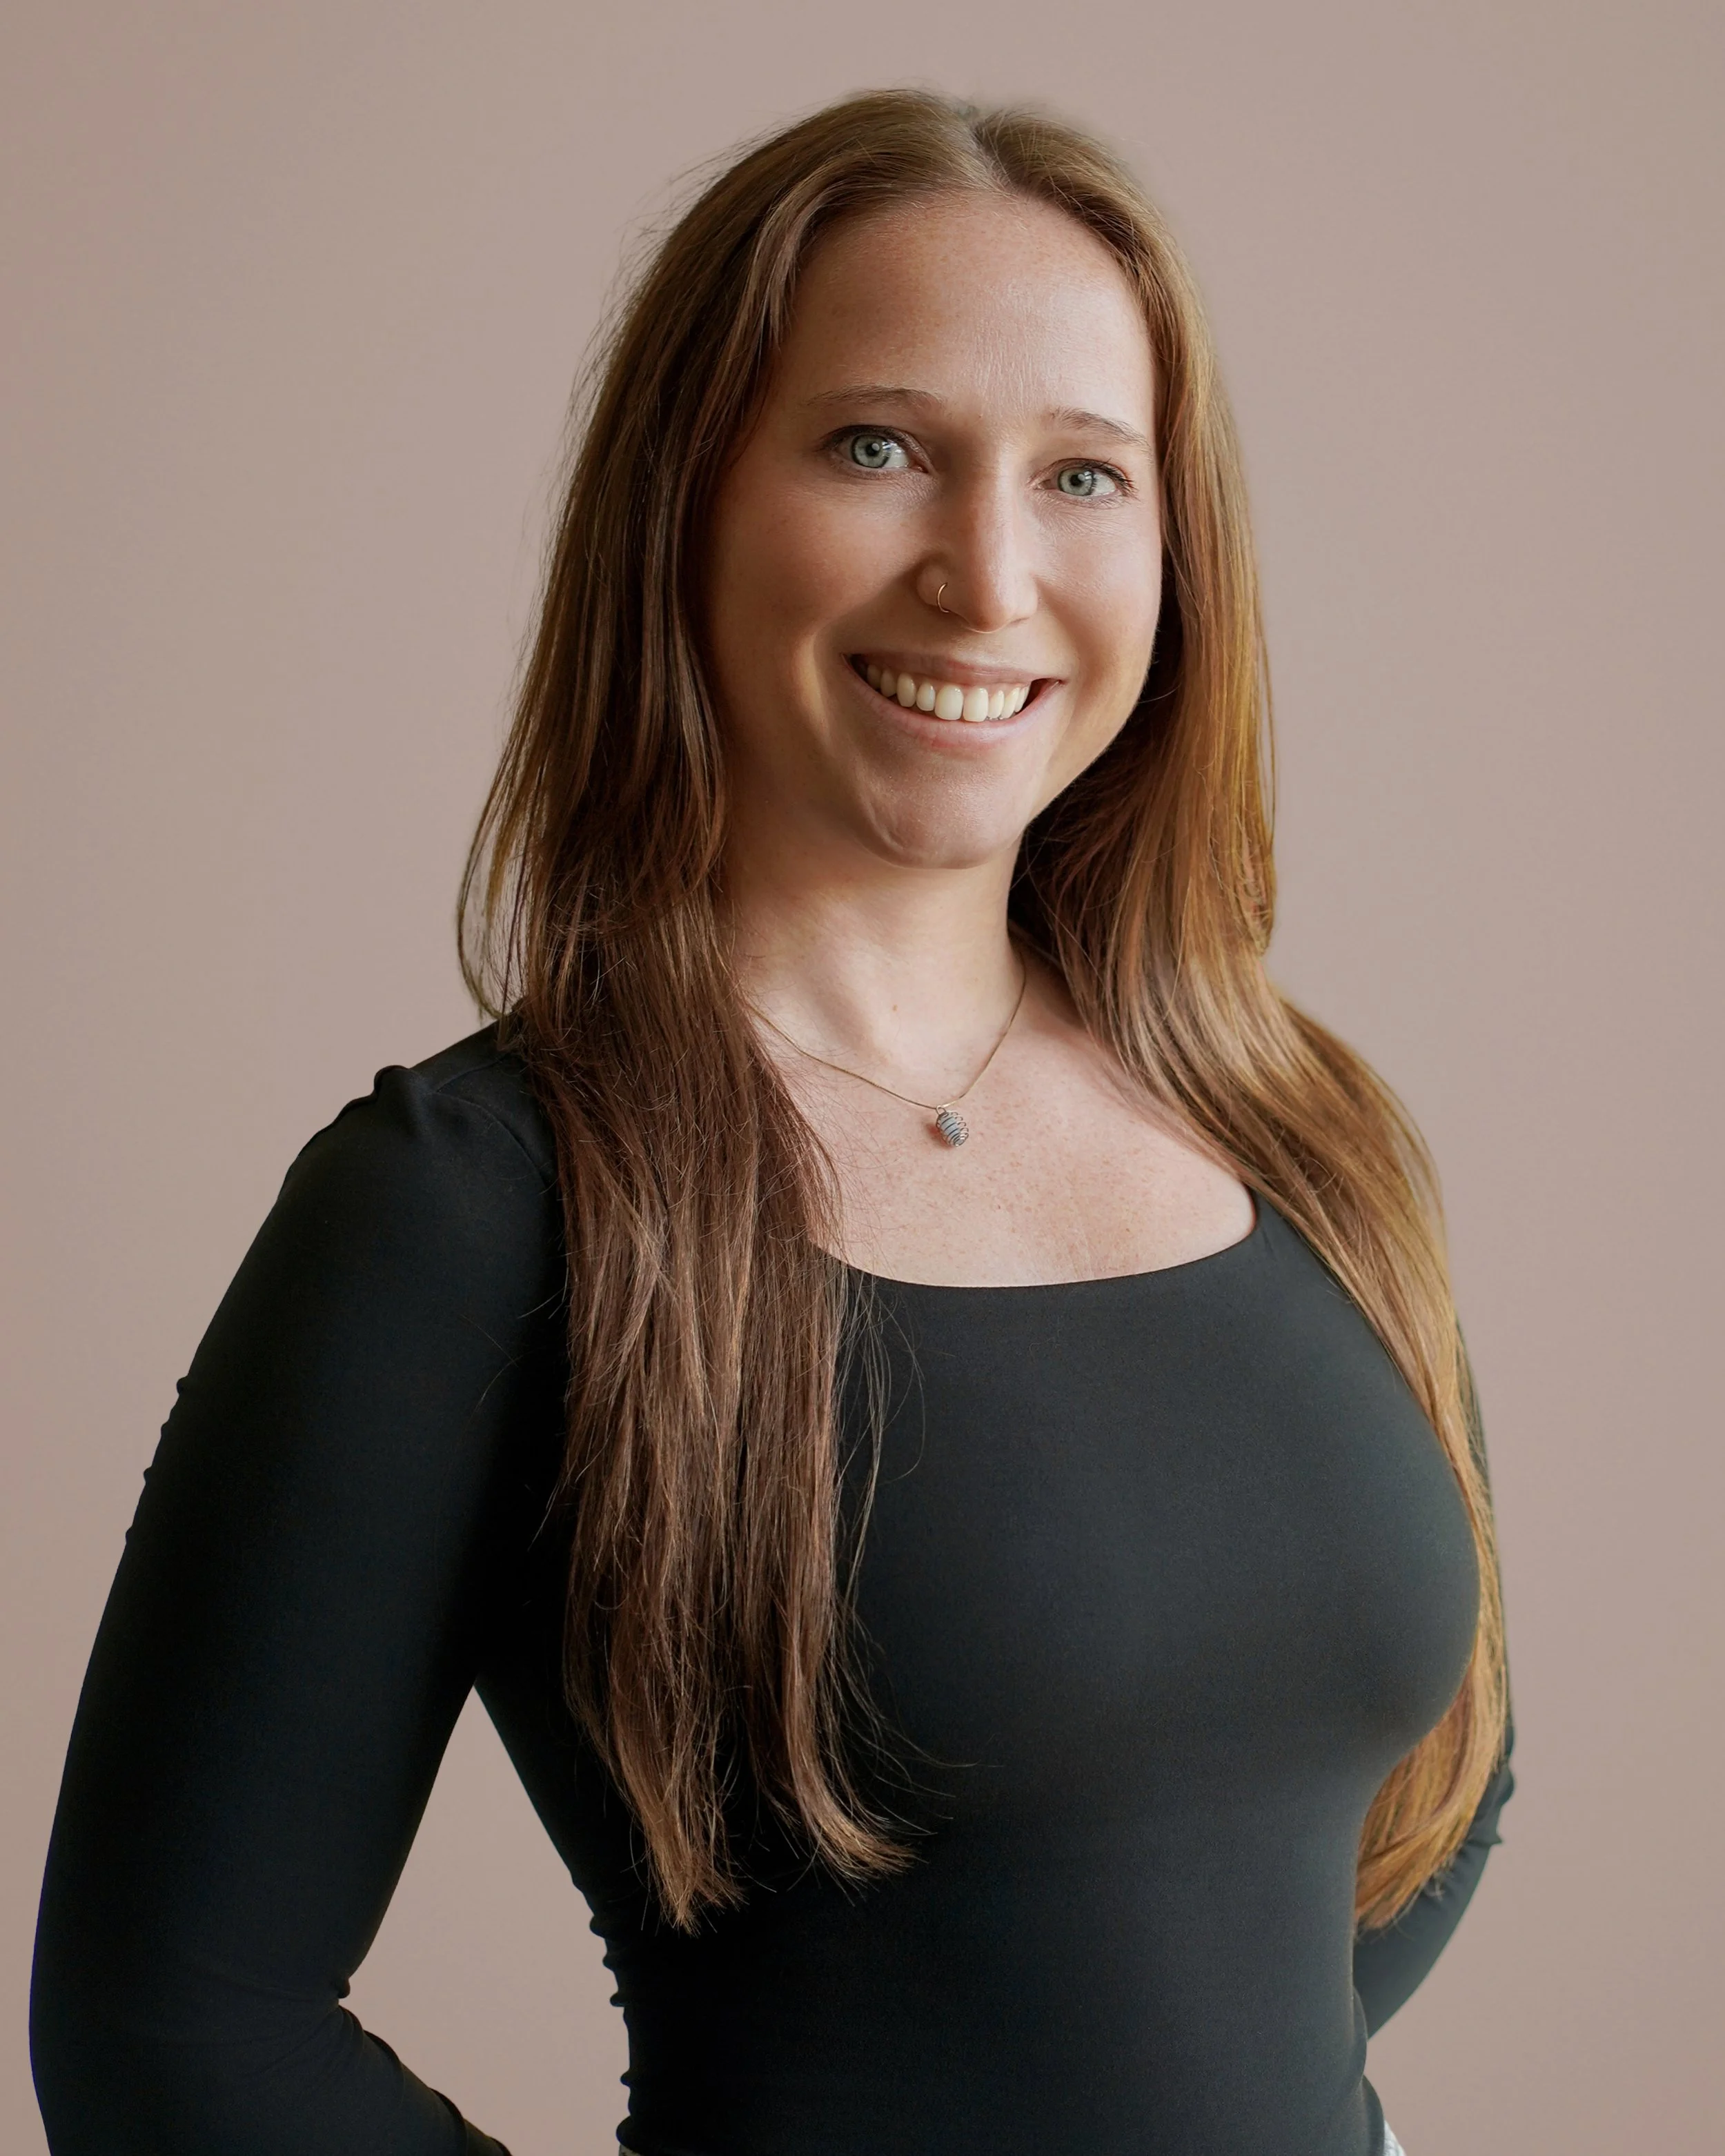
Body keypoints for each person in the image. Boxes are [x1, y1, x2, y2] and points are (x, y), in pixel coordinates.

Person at [30, 89, 1512, 2156]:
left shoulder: (1305, 1130)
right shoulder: (475, 1207)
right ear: (689, 502)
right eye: (875, 445)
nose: (987, 572)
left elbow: (1435, 1788)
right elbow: (171, 2027)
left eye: (1084, 474)